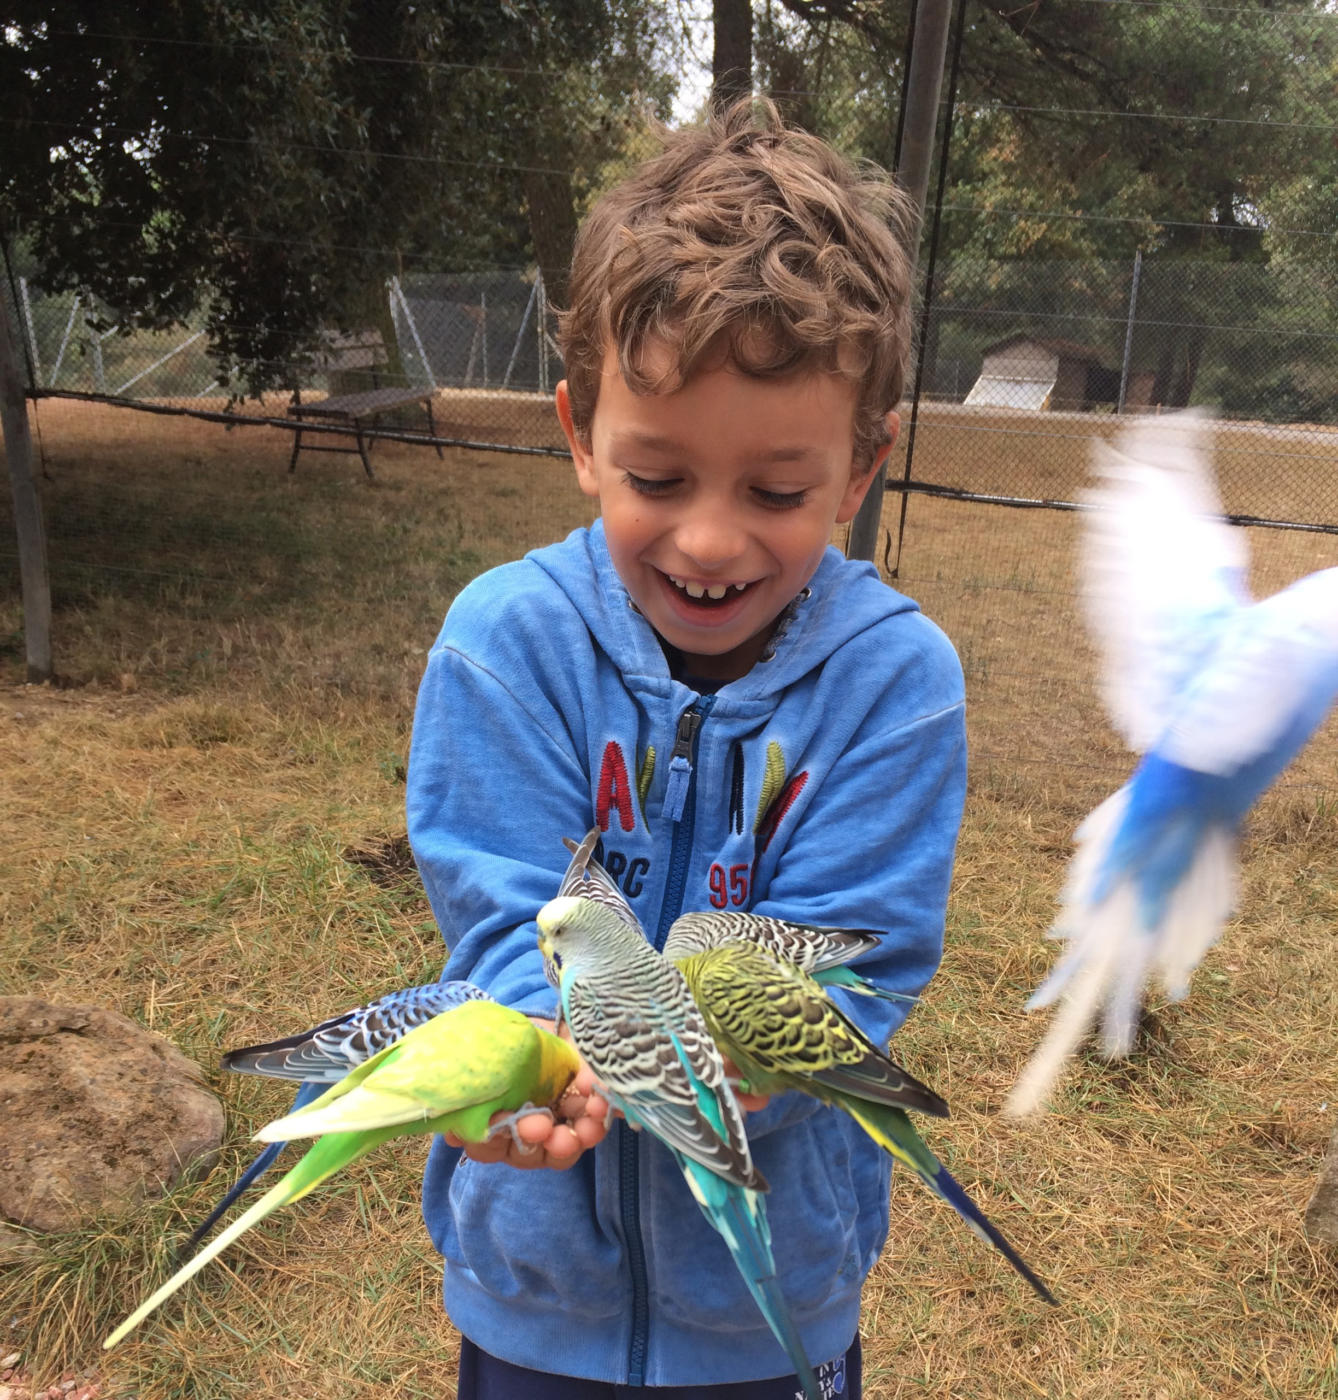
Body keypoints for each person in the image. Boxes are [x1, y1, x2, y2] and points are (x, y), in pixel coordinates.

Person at [406, 96, 967, 1400]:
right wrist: (540, 1061)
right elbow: (506, 917)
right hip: (534, 1297)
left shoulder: (897, 686)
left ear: (861, 468)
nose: (710, 542)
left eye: (777, 491)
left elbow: (856, 957)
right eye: (656, 478)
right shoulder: (503, 646)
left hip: (773, 1300)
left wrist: (728, 1062)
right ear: (579, 436)